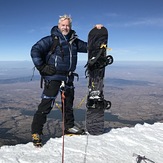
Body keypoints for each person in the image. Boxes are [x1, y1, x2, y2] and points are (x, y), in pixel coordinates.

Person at [30, 14, 103, 147]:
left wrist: (97, 33)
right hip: (53, 77)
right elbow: (35, 50)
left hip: (68, 77)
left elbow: (89, 47)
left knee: (68, 104)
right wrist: (42, 67)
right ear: (58, 26)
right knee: (46, 105)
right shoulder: (51, 40)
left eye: (68, 25)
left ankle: (68, 127)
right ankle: (36, 132)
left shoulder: (74, 41)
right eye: (63, 25)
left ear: (71, 27)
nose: (65, 27)